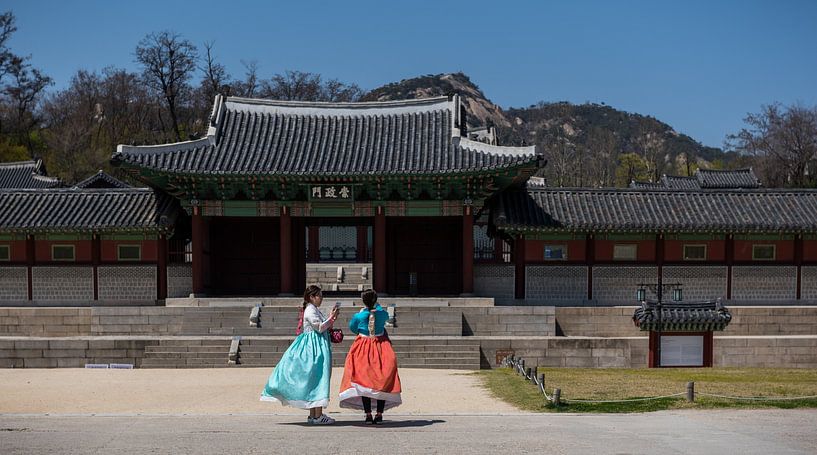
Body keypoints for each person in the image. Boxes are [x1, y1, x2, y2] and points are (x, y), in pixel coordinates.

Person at [260, 285, 339, 425]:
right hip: (314, 348)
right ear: (311, 297)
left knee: (315, 378)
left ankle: (315, 414)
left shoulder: (313, 310)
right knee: (318, 377)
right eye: (319, 296)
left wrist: (331, 319)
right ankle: (317, 415)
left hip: (317, 345)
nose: (321, 298)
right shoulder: (310, 310)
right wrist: (332, 318)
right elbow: (319, 328)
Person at [339, 289, 402, 424]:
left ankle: (368, 414)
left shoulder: (359, 316)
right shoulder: (381, 314)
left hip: (363, 346)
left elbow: (353, 327)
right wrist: (376, 307)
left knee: (364, 380)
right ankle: (379, 414)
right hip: (380, 345)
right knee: (382, 379)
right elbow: (384, 316)